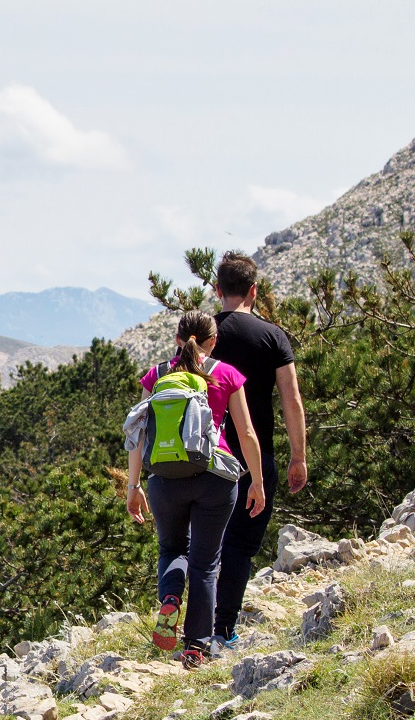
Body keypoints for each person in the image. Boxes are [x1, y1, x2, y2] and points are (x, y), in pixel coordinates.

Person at [125, 310, 268, 669]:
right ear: (213, 340)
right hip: (215, 477)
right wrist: (257, 481)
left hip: (164, 480)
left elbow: (139, 434)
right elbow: (247, 433)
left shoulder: (157, 375)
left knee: (172, 548)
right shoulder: (225, 374)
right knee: (206, 563)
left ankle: (170, 597)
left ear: (177, 339)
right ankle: (196, 647)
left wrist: (133, 485)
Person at [205, 252, 308, 653]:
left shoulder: (203, 334)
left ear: (217, 289)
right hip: (253, 455)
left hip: (204, 455)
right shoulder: (272, 336)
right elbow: (292, 399)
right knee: (241, 544)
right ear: (254, 290)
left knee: (205, 542)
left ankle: (194, 625)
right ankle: (223, 629)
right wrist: (298, 456)